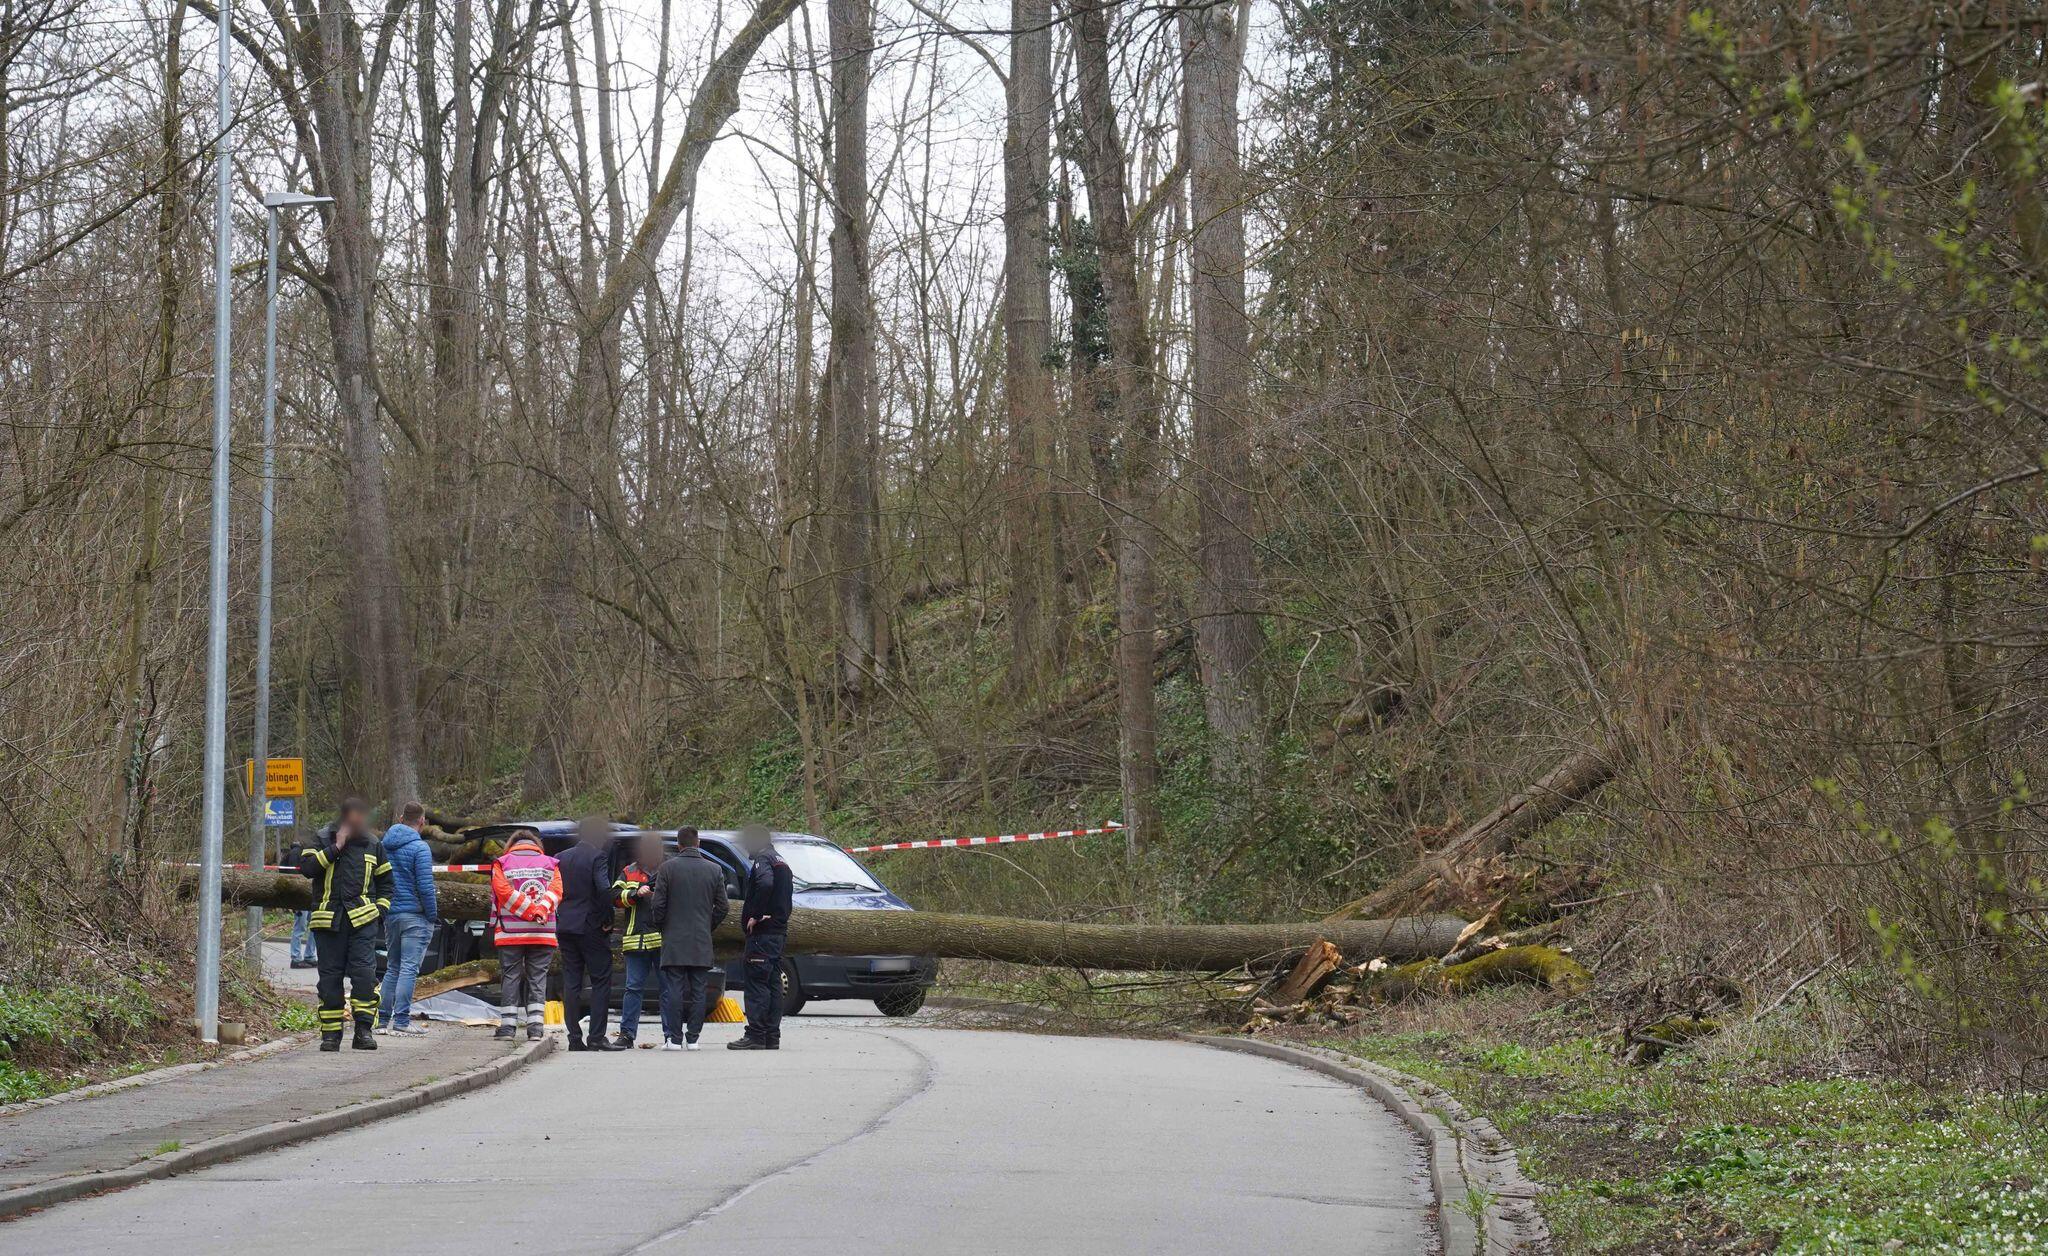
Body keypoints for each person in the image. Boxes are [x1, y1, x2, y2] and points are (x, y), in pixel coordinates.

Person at [296, 798, 392, 1051]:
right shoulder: (321, 838)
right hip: (328, 922)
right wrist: (336, 847)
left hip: (363, 922)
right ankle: (330, 1034)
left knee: (365, 977)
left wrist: (380, 911)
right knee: (330, 980)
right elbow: (307, 868)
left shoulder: (373, 844)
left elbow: (386, 883)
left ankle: (363, 1031)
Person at [648, 827, 729, 1051]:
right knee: (698, 990)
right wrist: (707, 926)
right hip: (701, 938)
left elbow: (658, 904)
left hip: (674, 939)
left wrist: (663, 926)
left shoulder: (667, 868)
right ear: (698, 843)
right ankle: (693, 1038)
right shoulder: (714, 869)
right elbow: (723, 906)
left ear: (678, 844)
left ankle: (674, 1039)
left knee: (673, 988)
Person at [556, 815, 622, 1051]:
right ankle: (596, 1037)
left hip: (565, 926)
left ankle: (574, 1038)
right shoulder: (598, 856)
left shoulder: (560, 857)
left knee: (571, 982)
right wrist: (607, 919)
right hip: (590, 927)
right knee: (601, 980)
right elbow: (604, 890)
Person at [490, 829, 561, 1041]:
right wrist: (539, 911)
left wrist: (529, 911)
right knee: (538, 978)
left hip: (510, 933)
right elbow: (556, 892)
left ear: (511, 845)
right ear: (536, 845)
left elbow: (504, 893)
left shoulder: (501, 863)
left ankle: (508, 1028)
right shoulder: (551, 864)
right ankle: (536, 1029)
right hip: (543, 932)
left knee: (510, 976)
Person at [376, 802, 437, 1036]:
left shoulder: (383, 845)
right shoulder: (420, 848)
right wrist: (432, 915)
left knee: (392, 968)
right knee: (409, 968)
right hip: (415, 916)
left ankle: (382, 1021)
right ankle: (401, 1020)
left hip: (391, 914)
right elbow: (425, 887)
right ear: (422, 821)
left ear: (401, 818)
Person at [730, 823, 792, 1051]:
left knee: (757, 985)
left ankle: (756, 1035)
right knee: (773, 985)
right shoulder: (781, 861)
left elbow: (765, 883)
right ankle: (771, 1036)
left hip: (762, 935)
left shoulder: (763, 860)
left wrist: (756, 914)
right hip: (778, 932)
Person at [608, 832, 668, 1049]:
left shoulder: (669, 869)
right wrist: (635, 894)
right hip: (636, 940)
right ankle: (626, 1035)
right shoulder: (629, 871)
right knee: (633, 988)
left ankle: (671, 1035)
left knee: (667, 989)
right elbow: (614, 897)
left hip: (663, 940)